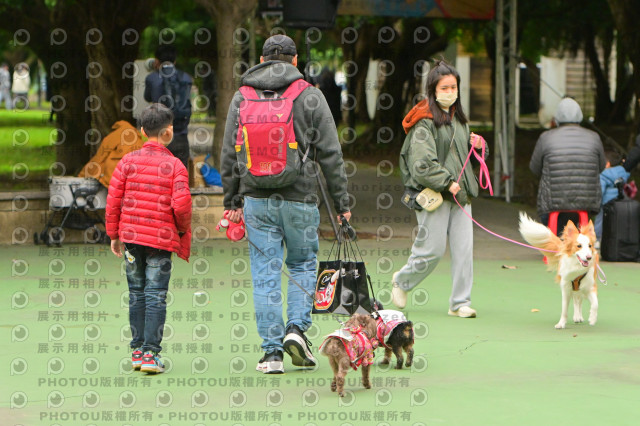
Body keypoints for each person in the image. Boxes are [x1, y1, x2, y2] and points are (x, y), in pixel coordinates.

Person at [220, 34, 351, 374]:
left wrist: (232, 199)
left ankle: (271, 354)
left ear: (262, 60)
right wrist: (342, 203)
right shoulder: (310, 95)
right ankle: (296, 329)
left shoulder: (241, 97)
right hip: (300, 197)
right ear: (295, 61)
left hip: (256, 199)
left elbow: (229, 153)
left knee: (265, 274)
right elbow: (331, 154)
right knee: (303, 264)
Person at [391, 60, 487, 318]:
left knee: (464, 251)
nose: (450, 92)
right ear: (433, 90)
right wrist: (447, 182)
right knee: (431, 250)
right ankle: (402, 281)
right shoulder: (423, 122)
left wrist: (480, 146)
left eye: (453, 87)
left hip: (461, 196)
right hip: (434, 195)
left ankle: (460, 303)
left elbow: (464, 156)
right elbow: (421, 164)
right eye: (444, 88)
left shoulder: (460, 120)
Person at [106, 103, 192, 374]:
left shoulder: (126, 162)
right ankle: (151, 354)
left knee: (136, 293)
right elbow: (182, 206)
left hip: (131, 237)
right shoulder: (176, 166)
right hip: (161, 241)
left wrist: (114, 234)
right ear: (169, 131)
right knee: (155, 295)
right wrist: (181, 230)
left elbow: (113, 200)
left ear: (142, 131)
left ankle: (136, 350)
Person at [529, 97, 606, 230]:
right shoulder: (594, 137)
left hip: (553, 202)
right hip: (586, 202)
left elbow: (534, 168)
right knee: (579, 216)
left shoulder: (545, 137)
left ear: (557, 118)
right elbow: (601, 167)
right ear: (580, 116)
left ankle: (554, 237)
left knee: (549, 216)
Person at [144, 45, 192, 169]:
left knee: (158, 174)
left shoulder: (152, 78)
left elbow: (147, 97)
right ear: (175, 61)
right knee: (180, 173)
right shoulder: (186, 78)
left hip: (159, 136)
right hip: (181, 135)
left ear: (157, 61)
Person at [595, 150, 630, 240]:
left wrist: (595, 204)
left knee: (600, 223)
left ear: (607, 164)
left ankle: (597, 240)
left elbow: (600, 191)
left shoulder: (603, 175)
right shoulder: (623, 174)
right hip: (621, 203)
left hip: (606, 204)